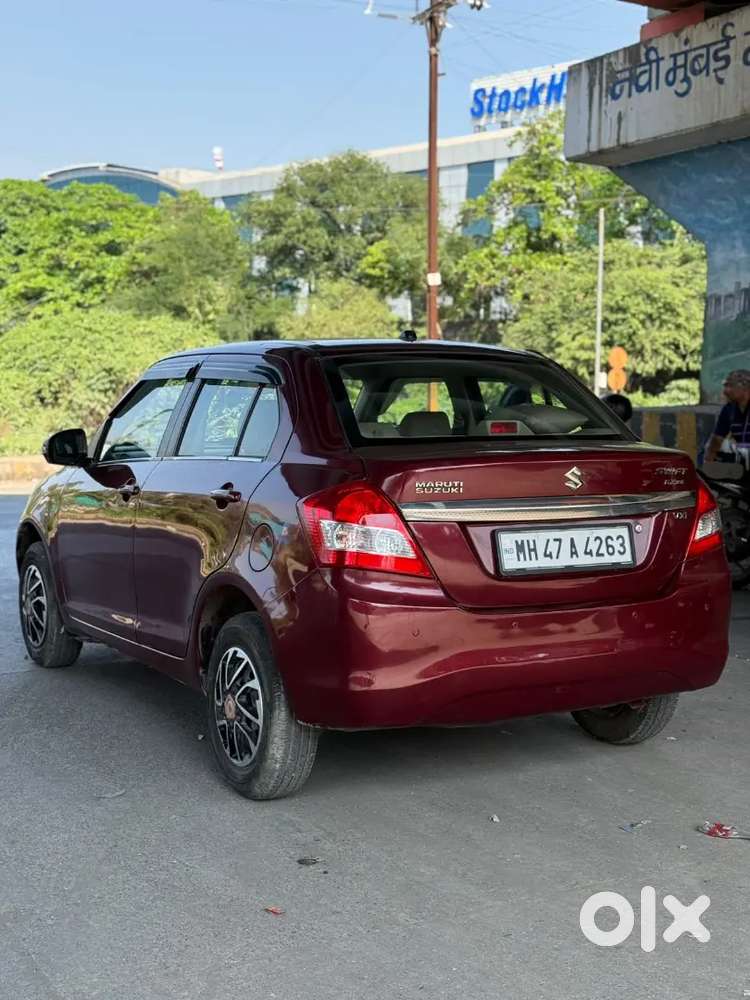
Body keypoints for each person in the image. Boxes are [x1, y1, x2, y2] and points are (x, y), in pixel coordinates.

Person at [704, 370, 750, 463]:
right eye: (725, 386)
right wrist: (708, 461)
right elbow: (717, 439)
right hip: (743, 456)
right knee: (712, 446)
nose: (725, 391)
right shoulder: (729, 409)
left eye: (730, 386)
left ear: (745, 388)